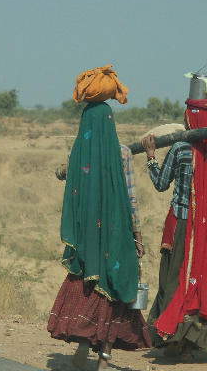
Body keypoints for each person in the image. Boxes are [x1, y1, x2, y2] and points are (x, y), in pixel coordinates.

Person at [47, 65, 151, 371]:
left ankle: (82, 349)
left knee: (88, 286)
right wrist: (138, 237)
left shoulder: (78, 156)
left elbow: (68, 183)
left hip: (88, 241)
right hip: (116, 239)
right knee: (114, 289)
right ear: (110, 122)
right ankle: (104, 358)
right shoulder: (121, 154)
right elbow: (131, 199)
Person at [141, 97, 207, 361]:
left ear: (191, 119)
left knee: (174, 279)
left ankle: (173, 339)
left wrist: (150, 158)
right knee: (201, 276)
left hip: (181, 224)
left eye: (187, 116)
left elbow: (161, 183)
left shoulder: (180, 148)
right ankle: (192, 340)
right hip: (206, 231)